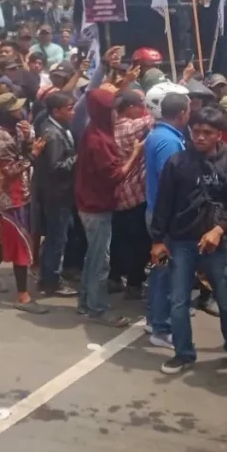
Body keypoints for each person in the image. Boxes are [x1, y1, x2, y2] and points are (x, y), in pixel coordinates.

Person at [150, 106, 227, 375]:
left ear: (219, 135)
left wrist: (219, 230)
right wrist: (158, 240)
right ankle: (183, 353)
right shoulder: (177, 162)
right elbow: (163, 203)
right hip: (181, 242)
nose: (201, 137)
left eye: (208, 132)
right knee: (179, 301)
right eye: (197, 131)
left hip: (215, 245)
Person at [75, 88, 143, 327]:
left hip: (90, 203)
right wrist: (135, 154)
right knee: (100, 260)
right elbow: (115, 176)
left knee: (92, 256)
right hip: (96, 207)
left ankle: (85, 301)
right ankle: (98, 308)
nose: (116, 113)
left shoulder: (95, 130)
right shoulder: (98, 140)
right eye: (112, 109)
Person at [0, 92, 48, 313]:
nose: (22, 111)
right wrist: (34, 155)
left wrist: (28, 141)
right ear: (6, 114)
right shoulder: (0, 139)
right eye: (17, 109)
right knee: (20, 243)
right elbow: (10, 171)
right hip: (10, 197)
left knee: (13, 236)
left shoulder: (16, 130)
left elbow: (21, 153)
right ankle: (22, 294)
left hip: (21, 192)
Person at [143, 87, 190, 348]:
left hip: (158, 213)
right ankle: (161, 328)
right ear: (182, 114)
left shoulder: (159, 134)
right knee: (165, 273)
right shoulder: (169, 142)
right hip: (165, 217)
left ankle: (154, 319)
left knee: (161, 271)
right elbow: (168, 180)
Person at [110, 90, 153, 300]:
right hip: (134, 193)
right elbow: (156, 117)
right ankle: (135, 283)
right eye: (141, 105)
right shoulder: (128, 127)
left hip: (116, 194)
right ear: (130, 108)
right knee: (140, 242)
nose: (144, 109)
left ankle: (115, 277)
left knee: (119, 239)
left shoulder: (110, 125)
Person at [35, 91, 78, 297]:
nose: (73, 111)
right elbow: (56, 166)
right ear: (56, 111)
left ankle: (48, 275)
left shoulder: (60, 128)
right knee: (56, 238)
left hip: (61, 193)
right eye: (69, 108)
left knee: (58, 235)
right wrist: (78, 159)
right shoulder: (52, 133)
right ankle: (51, 280)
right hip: (56, 193)